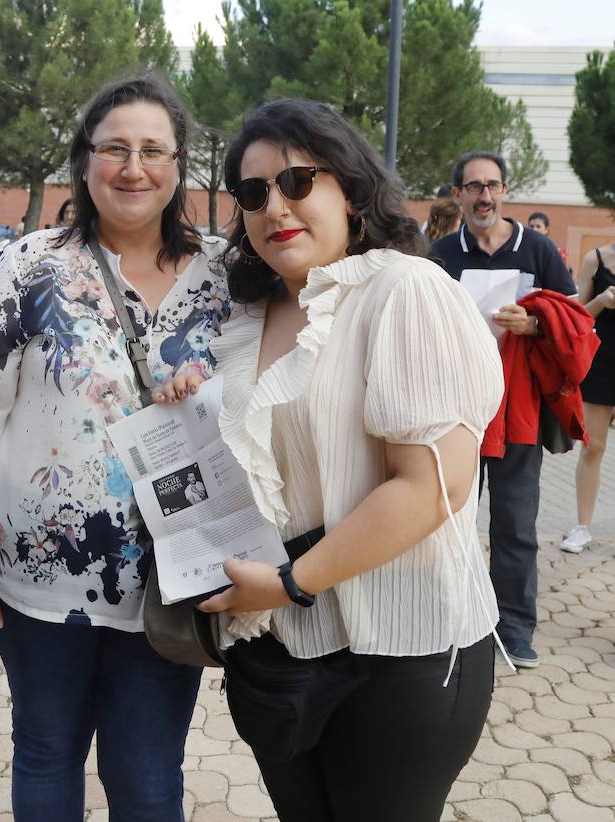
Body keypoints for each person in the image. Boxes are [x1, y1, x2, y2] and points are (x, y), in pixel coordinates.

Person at [170, 98, 502, 822]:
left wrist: (290, 581)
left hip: (397, 646)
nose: (274, 207)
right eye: (253, 194)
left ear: (348, 189)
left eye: (296, 181)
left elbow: (428, 487)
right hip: (280, 647)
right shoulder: (246, 317)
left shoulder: (403, 290)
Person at [0, 72, 227, 821]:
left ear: (178, 166)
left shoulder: (230, 274)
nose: (133, 167)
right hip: (39, 578)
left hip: (177, 578)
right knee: (46, 750)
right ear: (84, 161)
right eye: (114, 149)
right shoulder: (30, 266)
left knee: (144, 774)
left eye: (153, 150)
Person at [428, 151, 577, 667]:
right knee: (449, 520)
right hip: (457, 412)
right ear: (457, 196)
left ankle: (514, 627)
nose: (483, 196)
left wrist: (534, 326)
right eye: (473, 187)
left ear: (506, 191)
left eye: (492, 185)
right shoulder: (442, 255)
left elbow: (574, 319)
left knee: (514, 523)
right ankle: (458, 620)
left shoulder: (536, 249)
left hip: (519, 411)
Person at [561, 238, 615, 552]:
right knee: (592, 447)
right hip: (601, 363)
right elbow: (576, 316)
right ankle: (582, 526)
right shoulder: (596, 258)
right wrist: (602, 301)